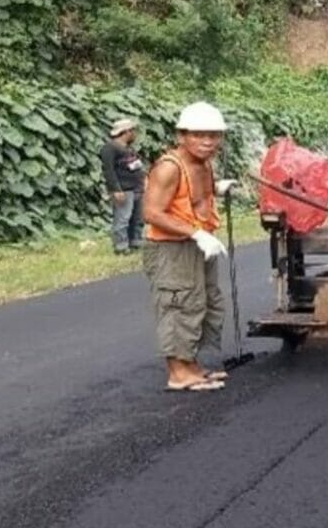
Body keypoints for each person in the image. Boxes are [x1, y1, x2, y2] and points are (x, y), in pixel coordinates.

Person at [142, 102, 239, 392]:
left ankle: (191, 364)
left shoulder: (203, 163)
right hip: (172, 248)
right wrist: (197, 233)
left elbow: (192, 197)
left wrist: (216, 188)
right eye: (199, 135)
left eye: (213, 135)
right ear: (181, 136)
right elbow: (152, 213)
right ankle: (178, 373)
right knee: (178, 303)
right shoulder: (169, 168)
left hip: (197, 242)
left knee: (203, 301)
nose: (207, 141)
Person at [101, 118, 146, 254]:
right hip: (123, 189)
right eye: (133, 131)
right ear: (126, 132)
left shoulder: (128, 149)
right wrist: (115, 189)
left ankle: (135, 242)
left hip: (136, 188)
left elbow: (136, 166)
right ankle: (121, 246)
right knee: (123, 218)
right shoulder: (110, 148)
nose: (135, 134)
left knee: (137, 217)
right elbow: (109, 170)